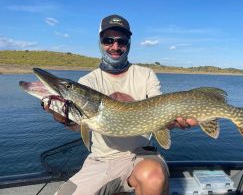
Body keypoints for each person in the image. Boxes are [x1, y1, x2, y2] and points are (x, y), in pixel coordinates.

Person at [45, 14, 198, 195]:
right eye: (108, 40)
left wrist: (171, 121)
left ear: (129, 43)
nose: (115, 47)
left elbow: (162, 111)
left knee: (153, 176)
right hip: (101, 160)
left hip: (142, 156)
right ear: (100, 42)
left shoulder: (145, 75)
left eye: (121, 41)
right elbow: (78, 125)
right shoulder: (87, 81)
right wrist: (61, 116)